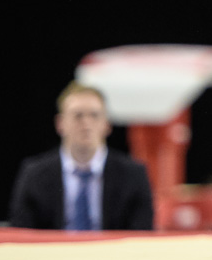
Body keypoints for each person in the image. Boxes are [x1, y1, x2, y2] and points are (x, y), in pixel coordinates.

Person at [9, 82, 154, 231]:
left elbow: (141, 237)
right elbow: (21, 234)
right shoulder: (34, 174)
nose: (86, 123)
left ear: (107, 124)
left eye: (94, 115)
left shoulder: (133, 175)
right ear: (60, 123)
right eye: (78, 115)